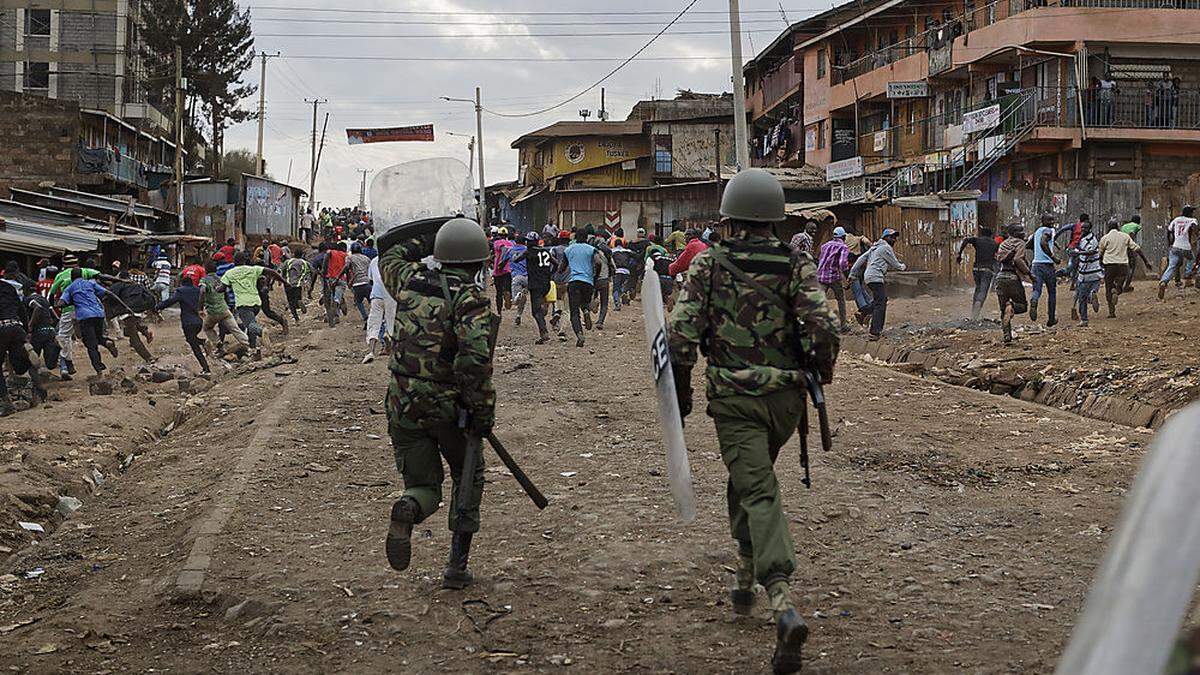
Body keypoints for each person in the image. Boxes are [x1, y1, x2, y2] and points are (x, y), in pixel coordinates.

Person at [667, 169, 838, 675]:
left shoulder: (709, 266)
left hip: (735, 400)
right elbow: (824, 327)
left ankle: (781, 599)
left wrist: (681, 394)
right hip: (787, 402)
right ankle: (743, 571)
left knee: (758, 490)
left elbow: (679, 338)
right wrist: (817, 373)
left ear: (729, 218)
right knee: (749, 479)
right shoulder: (795, 262)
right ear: (775, 220)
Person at [379, 217, 498, 590]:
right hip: (448, 407)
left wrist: (432, 236)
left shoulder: (408, 282)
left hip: (402, 401)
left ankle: (410, 507)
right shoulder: (471, 299)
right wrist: (482, 411)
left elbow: (390, 250)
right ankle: (456, 566)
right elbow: (475, 360)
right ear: (478, 263)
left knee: (423, 483)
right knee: (469, 475)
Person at [221, 253, 285, 357]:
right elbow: (272, 271)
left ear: (234, 261)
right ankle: (254, 349)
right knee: (251, 323)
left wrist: (214, 289)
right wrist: (284, 281)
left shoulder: (230, 273)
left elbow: (221, 288)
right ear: (244, 260)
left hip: (243, 304)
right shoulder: (253, 269)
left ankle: (261, 331)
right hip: (256, 303)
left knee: (250, 325)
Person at [57, 268, 120, 374]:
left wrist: (70, 302)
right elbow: (107, 292)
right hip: (99, 314)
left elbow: (61, 303)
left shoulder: (70, 288)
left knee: (90, 344)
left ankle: (98, 369)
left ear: (72, 277)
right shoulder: (90, 283)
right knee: (99, 337)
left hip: (85, 316)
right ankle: (107, 342)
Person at [0, 272, 46, 415]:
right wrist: (26, 331)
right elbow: (21, 310)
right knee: (20, 366)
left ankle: (7, 402)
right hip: (17, 327)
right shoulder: (8, 288)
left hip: (1, 329)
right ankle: (38, 390)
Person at [48, 255, 100, 379]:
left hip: (68, 310)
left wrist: (53, 307)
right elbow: (99, 275)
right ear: (77, 264)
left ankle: (67, 364)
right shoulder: (85, 271)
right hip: (87, 310)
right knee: (90, 341)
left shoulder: (60, 275)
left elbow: (52, 294)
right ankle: (99, 370)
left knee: (63, 337)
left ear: (64, 265)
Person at [851, 228, 906, 340]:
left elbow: (861, 259)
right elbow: (895, 264)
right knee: (881, 304)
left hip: (869, 276)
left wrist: (852, 274)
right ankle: (874, 332)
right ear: (885, 237)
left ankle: (863, 312)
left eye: (895, 237)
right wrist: (903, 267)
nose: (894, 239)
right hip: (875, 277)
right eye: (892, 237)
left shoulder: (874, 248)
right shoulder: (886, 248)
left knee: (880, 299)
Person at [155, 274, 210, 374]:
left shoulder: (181, 291)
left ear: (182, 283)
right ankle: (202, 342)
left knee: (194, 346)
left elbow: (170, 301)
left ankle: (206, 369)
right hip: (198, 322)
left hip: (188, 322)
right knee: (191, 339)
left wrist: (157, 307)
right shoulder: (197, 290)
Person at [1097, 217, 1151, 319]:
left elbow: (1100, 253)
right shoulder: (1125, 236)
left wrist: (1100, 264)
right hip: (1122, 265)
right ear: (1118, 227)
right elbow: (1137, 248)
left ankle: (1111, 312)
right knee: (1120, 285)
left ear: (1108, 228)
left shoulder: (1105, 238)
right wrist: (1146, 261)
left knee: (1108, 287)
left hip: (1109, 265)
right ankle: (1117, 291)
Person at [105, 270, 159, 364]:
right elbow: (150, 296)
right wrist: (153, 310)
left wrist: (110, 313)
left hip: (127, 311)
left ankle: (149, 358)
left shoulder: (117, 285)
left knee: (133, 337)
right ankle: (146, 332)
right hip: (139, 310)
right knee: (132, 326)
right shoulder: (136, 284)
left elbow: (108, 297)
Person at [200, 260, 250, 356]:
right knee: (235, 329)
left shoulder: (204, 280)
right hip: (224, 309)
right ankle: (249, 345)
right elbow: (226, 292)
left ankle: (219, 345)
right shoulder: (221, 279)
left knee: (207, 328)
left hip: (212, 312)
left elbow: (202, 291)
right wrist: (228, 304)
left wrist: (200, 308)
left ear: (206, 270)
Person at [560, 229, 600, 348]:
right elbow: (598, 262)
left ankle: (579, 334)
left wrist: (559, 270)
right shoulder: (592, 249)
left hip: (574, 282)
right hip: (588, 282)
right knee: (585, 302)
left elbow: (562, 268)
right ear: (587, 238)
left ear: (575, 238)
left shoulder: (568, 250)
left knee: (574, 313)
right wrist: (595, 276)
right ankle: (586, 311)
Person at [995, 224, 1033, 344]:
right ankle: (1011, 306)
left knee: (1003, 310)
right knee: (1022, 306)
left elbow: (1000, 258)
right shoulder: (1020, 243)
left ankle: (1007, 336)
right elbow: (1018, 260)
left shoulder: (1003, 244)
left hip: (1000, 278)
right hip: (1013, 278)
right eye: (1020, 231)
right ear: (1014, 233)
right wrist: (1030, 274)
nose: (1023, 233)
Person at [957, 225, 1000, 321]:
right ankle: (978, 305)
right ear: (991, 235)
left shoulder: (977, 240)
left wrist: (959, 254)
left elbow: (966, 240)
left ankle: (974, 313)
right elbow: (998, 256)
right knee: (983, 291)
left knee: (978, 288)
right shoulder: (994, 243)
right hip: (987, 270)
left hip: (976, 269)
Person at [816, 226, 852, 332]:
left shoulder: (824, 245)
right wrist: (847, 276)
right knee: (841, 300)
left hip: (821, 276)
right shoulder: (843, 247)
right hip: (834, 277)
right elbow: (842, 264)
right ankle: (843, 326)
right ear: (844, 237)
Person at [1028, 214, 1060, 326]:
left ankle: (1034, 300)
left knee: (1037, 289)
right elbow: (1043, 242)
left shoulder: (1036, 232)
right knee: (1052, 292)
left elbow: (1028, 245)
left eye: (1052, 219)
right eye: (1049, 219)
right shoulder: (1048, 230)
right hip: (1047, 265)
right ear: (1043, 221)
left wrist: (1037, 251)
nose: (1052, 221)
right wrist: (1053, 257)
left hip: (1036, 265)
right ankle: (1051, 318)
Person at [521, 231, 553, 344]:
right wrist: (549, 274)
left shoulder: (529, 252)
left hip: (535, 284)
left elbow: (516, 259)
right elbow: (556, 263)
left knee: (535, 311)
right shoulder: (545, 251)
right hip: (546, 283)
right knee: (540, 306)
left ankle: (544, 332)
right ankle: (543, 309)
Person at [1159, 206, 1196, 300]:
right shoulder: (1192, 220)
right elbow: (1195, 227)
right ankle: (1187, 273)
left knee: (1172, 265)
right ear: (1189, 213)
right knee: (1191, 259)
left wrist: (1170, 243)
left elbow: (1169, 231)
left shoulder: (1176, 220)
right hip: (1186, 247)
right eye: (1192, 212)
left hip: (1175, 246)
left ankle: (1164, 281)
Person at [1071, 220, 1103, 327]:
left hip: (1089, 272)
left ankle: (1084, 319)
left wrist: (1078, 253)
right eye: (1082, 228)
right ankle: (1092, 295)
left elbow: (1091, 251)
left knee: (1082, 297)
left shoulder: (1091, 239)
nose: (1083, 230)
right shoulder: (1083, 239)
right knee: (1090, 291)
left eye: (1085, 228)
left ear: (1090, 229)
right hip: (1090, 273)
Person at [500, 235, 528, 327]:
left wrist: (500, 269)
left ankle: (516, 296)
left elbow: (503, 262)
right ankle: (518, 315)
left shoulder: (510, 250)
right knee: (523, 298)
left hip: (516, 277)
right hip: (529, 277)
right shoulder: (527, 250)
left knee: (516, 300)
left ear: (515, 242)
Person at [322, 242, 352, 325]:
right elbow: (347, 268)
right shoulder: (345, 255)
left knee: (331, 296)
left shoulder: (331, 252)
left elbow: (326, 258)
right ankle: (336, 314)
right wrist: (349, 280)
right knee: (337, 297)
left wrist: (324, 271)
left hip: (331, 278)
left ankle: (331, 315)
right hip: (341, 279)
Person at [491, 228, 515, 317]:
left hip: (498, 270)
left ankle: (499, 311)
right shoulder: (511, 244)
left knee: (498, 292)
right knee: (507, 288)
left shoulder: (497, 243)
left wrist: (501, 262)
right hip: (508, 270)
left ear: (498, 234)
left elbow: (503, 249)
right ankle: (508, 294)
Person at [348, 243, 374, 325]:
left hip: (357, 284)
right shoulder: (366, 258)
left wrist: (348, 279)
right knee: (372, 301)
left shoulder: (350, 258)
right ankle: (373, 316)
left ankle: (365, 316)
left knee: (358, 301)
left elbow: (346, 266)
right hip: (367, 282)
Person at [280, 254, 311, 322]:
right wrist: (309, 283)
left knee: (290, 302)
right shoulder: (305, 263)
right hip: (298, 284)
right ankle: (298, 302)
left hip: (288, 284)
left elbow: (282, 270)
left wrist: (281, 280)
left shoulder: (288, 261)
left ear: (293, 255)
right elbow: (312, 271)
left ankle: (296, 318)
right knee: (297, 298)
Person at [610, 240, 637, 310]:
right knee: (623, 285)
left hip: (617, 271)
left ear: (615, 244)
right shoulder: (627, 251)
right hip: (626, 271)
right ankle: (624, 293)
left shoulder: (612, 251)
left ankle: (617, 304)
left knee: (616, 288)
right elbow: (636, 256)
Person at [1120, 215, 1143, 292]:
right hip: (1129, 247)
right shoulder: (1137, 226)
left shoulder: (1124, 226)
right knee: (1131, 267)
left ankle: (1120, 285)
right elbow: (1131, 234)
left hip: (1121, 247)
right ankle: (1126, 286)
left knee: (1123, 266)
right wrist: (1131, 243)